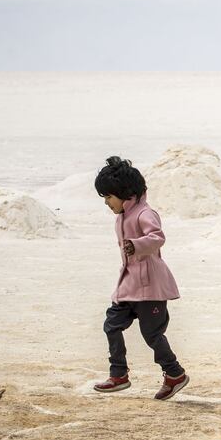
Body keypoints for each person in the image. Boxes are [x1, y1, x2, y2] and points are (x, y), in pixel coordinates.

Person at [92, 156, 189, 400]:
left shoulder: (145, 213)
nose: (106, 202)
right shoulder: (121, 217)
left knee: (152, 334)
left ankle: (174, 374)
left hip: (150, 287)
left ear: (124, 193)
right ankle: (119, 375)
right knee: (111, 325)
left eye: (108, 196)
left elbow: (157, 237)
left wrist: (137, 245)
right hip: (128, 285)